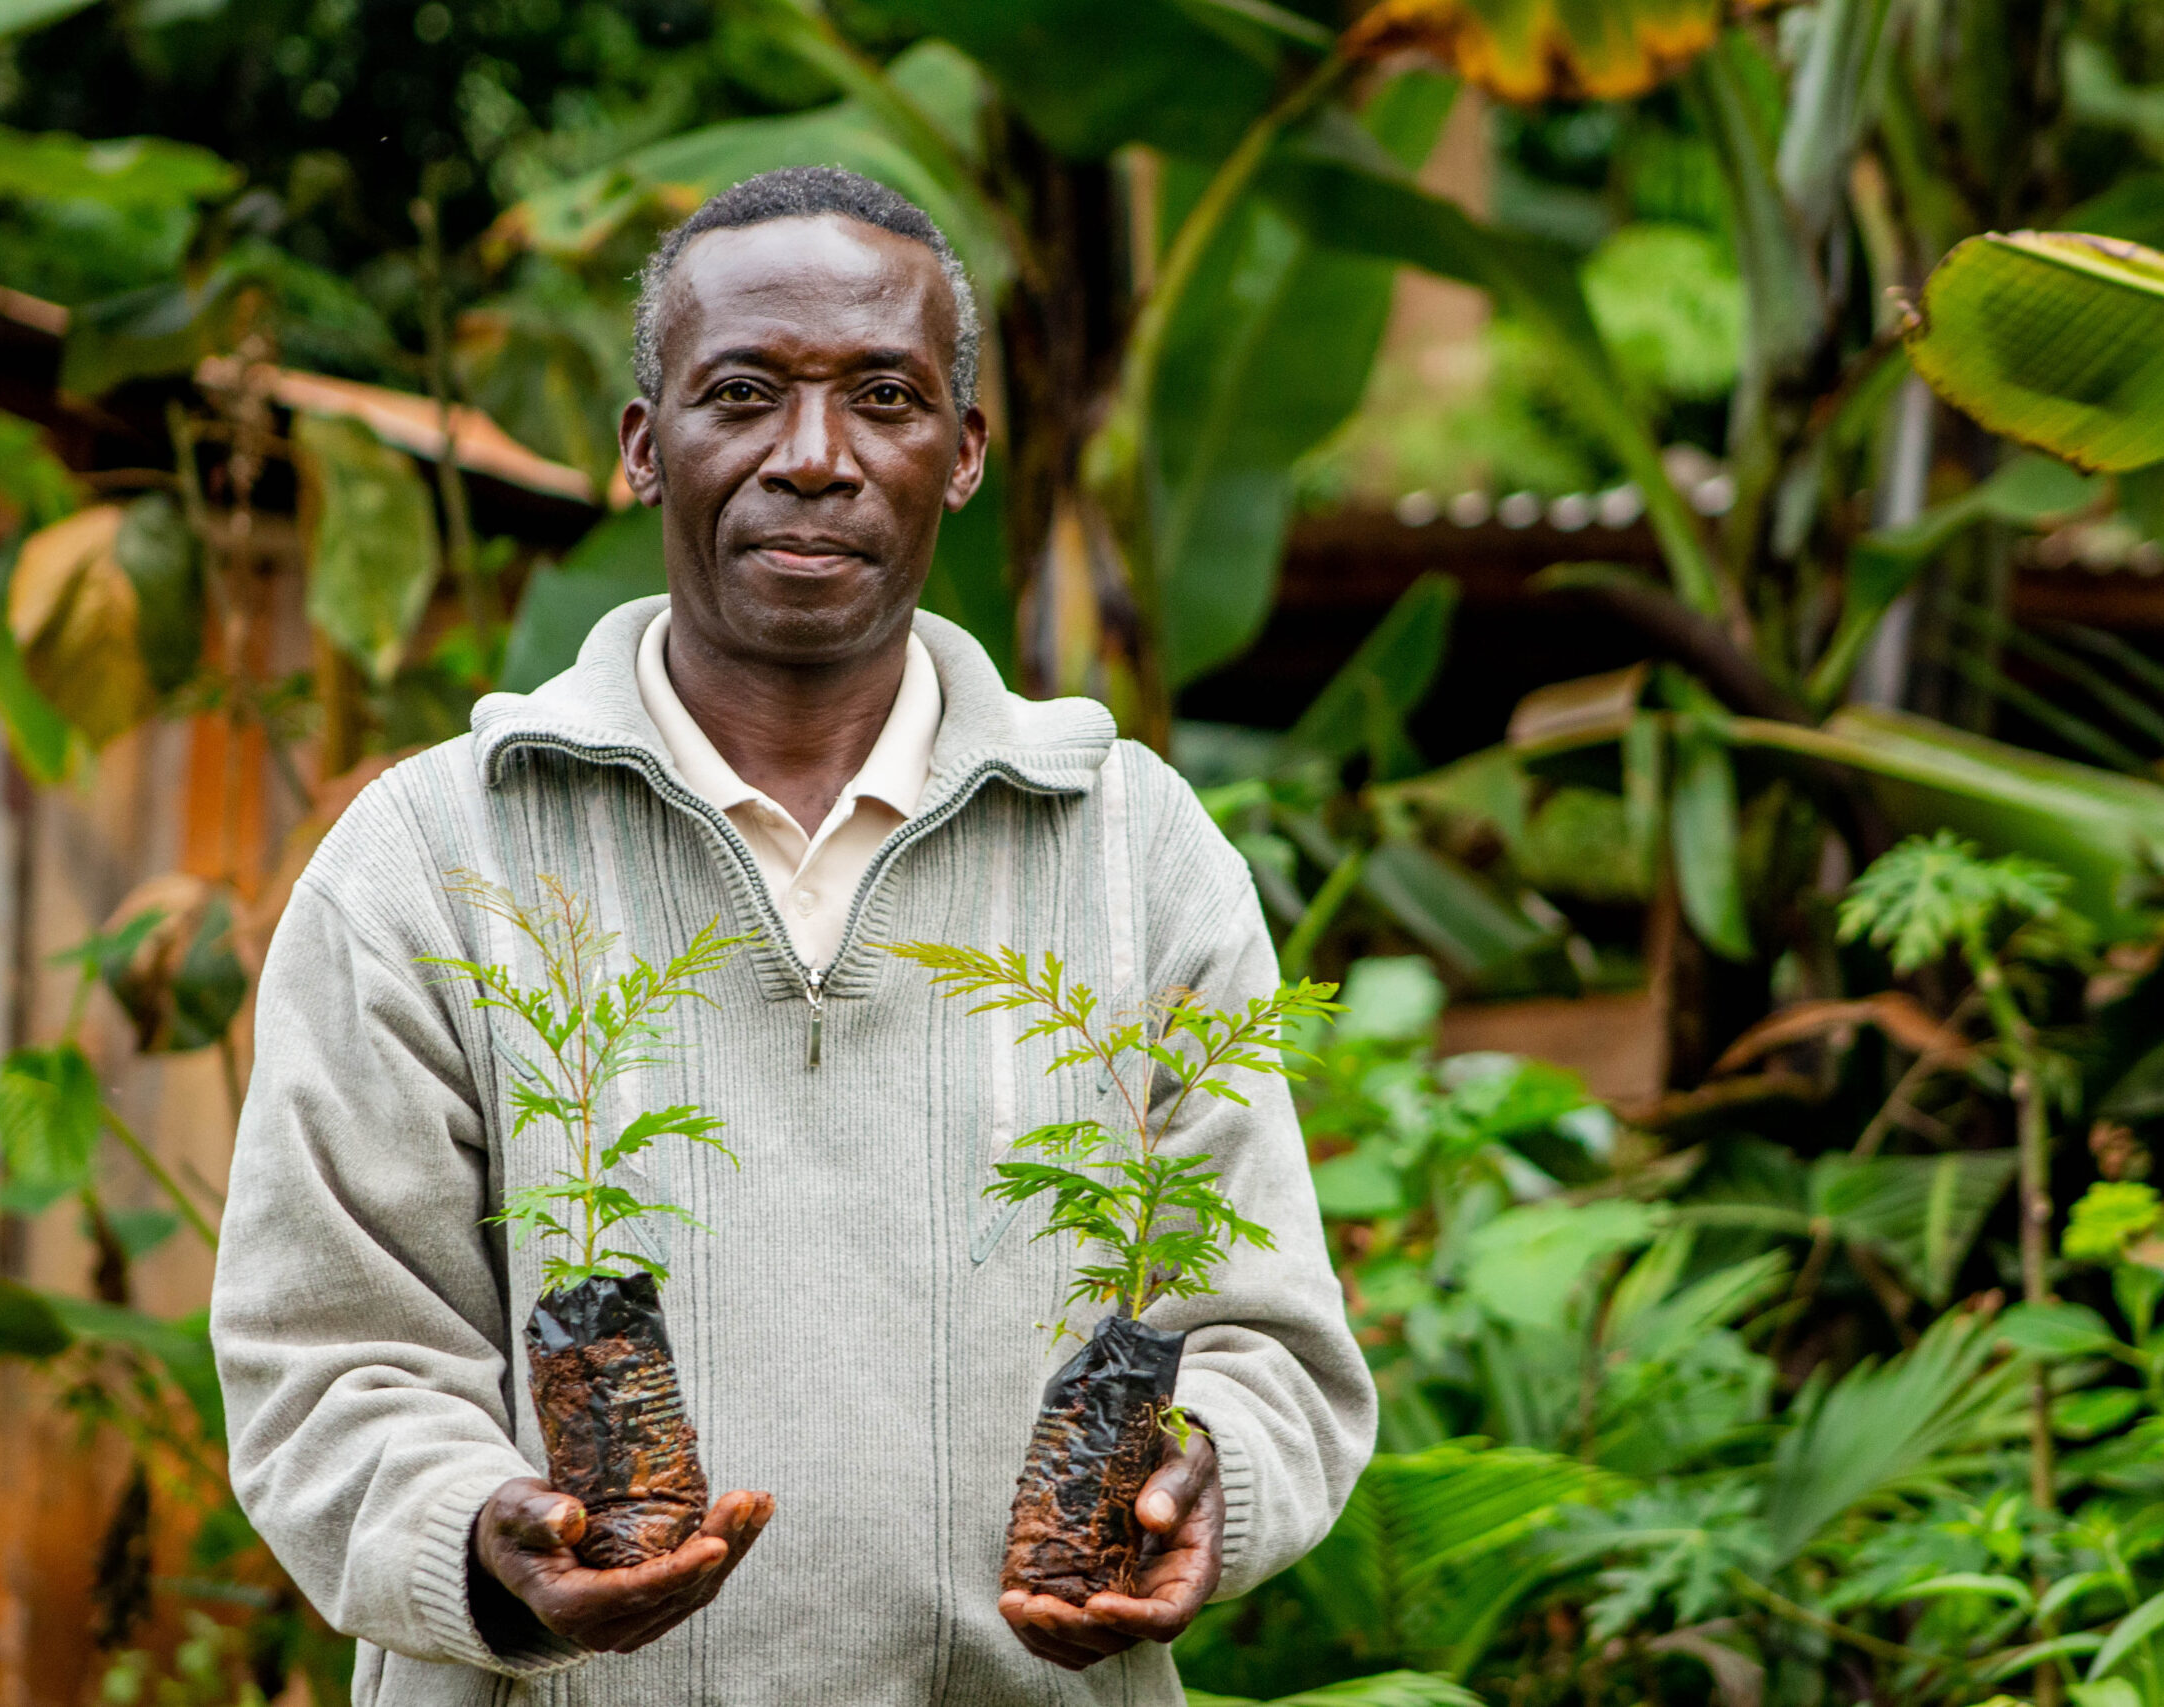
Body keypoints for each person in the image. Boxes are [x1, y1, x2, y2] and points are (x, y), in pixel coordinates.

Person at [210, 165, 1372, 1706]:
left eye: (882, 398)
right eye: (742, 393)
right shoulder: (435, 855)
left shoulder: (1128, 849)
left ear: (960, 457)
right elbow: (327, 1359)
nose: (812, 459)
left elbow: (1264, 1334)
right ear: (646, 446)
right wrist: (483, 1541)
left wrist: (1203, 1489)